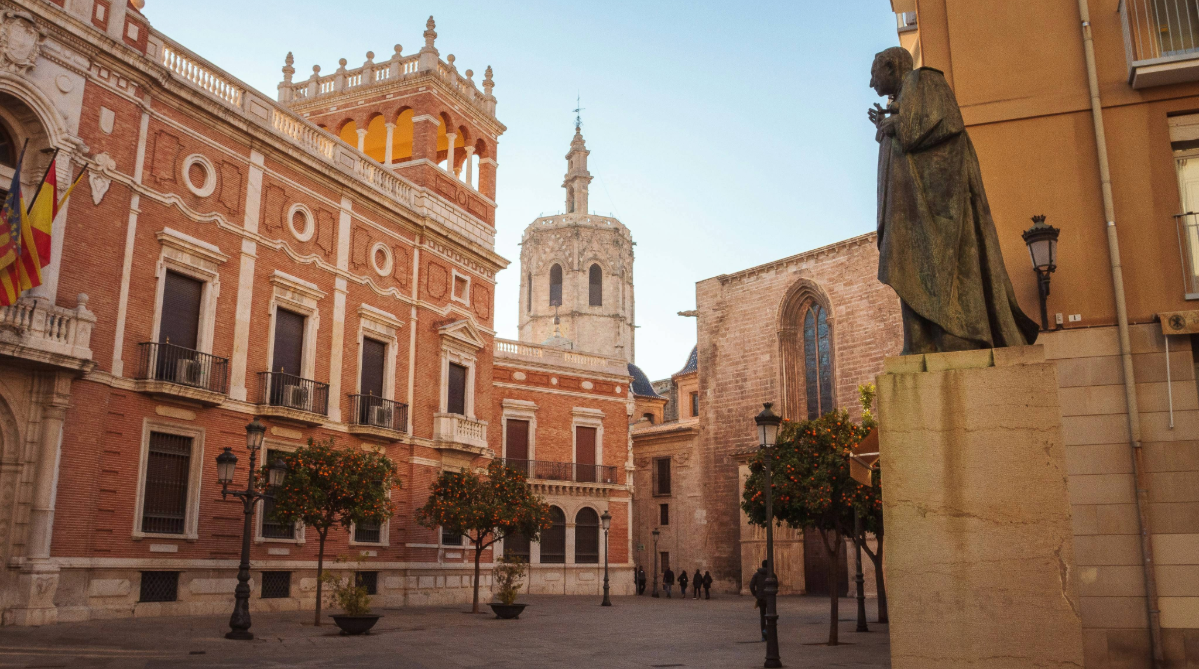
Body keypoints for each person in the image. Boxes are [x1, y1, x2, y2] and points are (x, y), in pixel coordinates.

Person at [868, 46, 1038, 354]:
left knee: (939, 265)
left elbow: (944, 122)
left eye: (873, 74)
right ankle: (918, 341)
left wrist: (895, 125)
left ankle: (955, 333)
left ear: (892, 67)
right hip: (910, 206)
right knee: (906, 264)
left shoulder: (926, 81)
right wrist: (888, 125)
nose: (871, 84)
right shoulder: (905, 98)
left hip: (936, 206)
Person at [748, 560, 768, 641]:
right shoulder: (772, 574)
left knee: (762, 616)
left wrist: (755, 594)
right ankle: (767, 630)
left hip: (760, 598)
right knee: (772, 616)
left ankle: (763, 635)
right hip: (769, 598)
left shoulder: (757, 574)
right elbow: (776, 584)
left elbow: (751, 585)